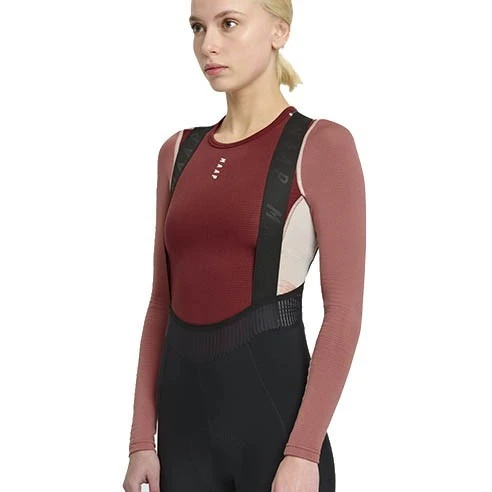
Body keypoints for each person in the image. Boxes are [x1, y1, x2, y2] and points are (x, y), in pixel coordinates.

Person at [122, 0, 366, 491]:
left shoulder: (320, 145)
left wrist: (303, 452)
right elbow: (160, 303)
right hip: (183, 442)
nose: (207, 45)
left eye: (229, 24)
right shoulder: (178, 152)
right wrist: (141, 440)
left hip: (275, 441)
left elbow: (343, 312)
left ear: (279, 31)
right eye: (198, 27)